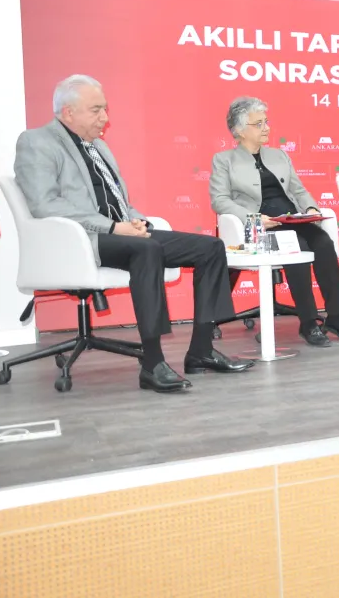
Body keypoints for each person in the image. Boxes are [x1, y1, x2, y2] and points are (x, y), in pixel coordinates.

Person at [13, 75, 253, 393]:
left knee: (210, 248)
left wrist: (137, 222)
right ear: (68, 112)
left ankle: (202, 351)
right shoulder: (37, 142)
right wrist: (113, 227)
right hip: (81, 241)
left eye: (105, 109)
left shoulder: (98, 146)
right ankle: (152, 363)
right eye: (96, 110)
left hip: (120, 232)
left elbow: (119, 201)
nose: (105, 118)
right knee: (147, 250)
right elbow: (45, 205)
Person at [210, 97, 339, 346]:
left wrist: (310, 208)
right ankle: (308, 322)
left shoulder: (279, 155)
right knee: (295, 246)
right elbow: (220, 200)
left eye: (266, 122)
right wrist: (253, 218)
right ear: (240, 131)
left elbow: (298, 190)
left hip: (291, 219)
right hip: (259, 227)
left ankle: (337, 316)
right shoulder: (224, 160)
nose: (266, 128)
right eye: (258, 124)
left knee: (323, 242)